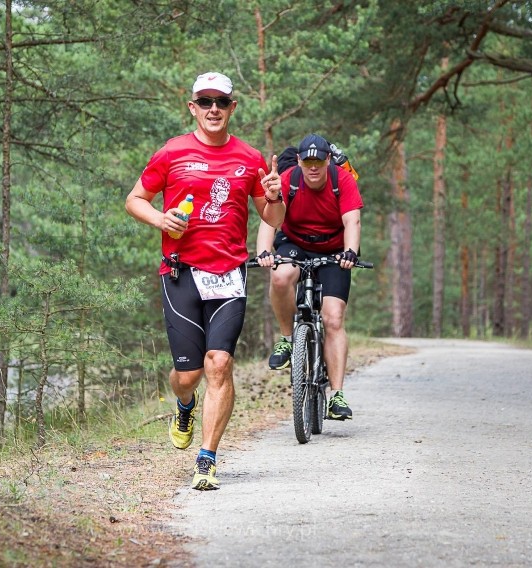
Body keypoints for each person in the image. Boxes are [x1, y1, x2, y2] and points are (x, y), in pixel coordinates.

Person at [125, 72, 285, 490]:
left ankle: (207, 458)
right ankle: (184, 405)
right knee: (188, 375)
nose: (214, 108)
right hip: (181, 273)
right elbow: (134, 200)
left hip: (229, 274)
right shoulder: (172, 152)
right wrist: (161, 218)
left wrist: (274, 197)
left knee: (220, 363)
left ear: (233, 108)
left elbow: (273, 219)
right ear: (193, 107)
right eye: (205, 101)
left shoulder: (250, 158)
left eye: (222, 101)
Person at [255, 133, 363, 420]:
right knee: (279, 277)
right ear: (300, 161)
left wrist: (351, 251)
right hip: (295, 242)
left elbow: (352, 219)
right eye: (307, 161)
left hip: (334, 249)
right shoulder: (289, 179)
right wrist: (264, 252)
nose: (313, 167)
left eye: (319, 161)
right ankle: (288, 339)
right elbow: (270, 218)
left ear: (328, 160)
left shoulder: (343, 180)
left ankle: (336, 395)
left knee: (333, 318)